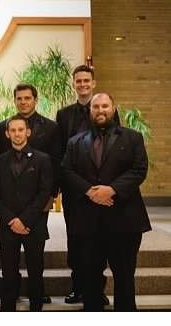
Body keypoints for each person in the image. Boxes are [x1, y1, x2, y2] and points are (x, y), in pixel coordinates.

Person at [62, 93, 151, 311]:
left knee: (124, 277)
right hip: (88, 222)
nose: (100, 110)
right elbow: (66, 171)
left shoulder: (133, 138)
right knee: (90, 278)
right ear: (90, 111)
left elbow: (139, 169)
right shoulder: (75, 142)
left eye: (105, 106)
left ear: (113, 108)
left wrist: (111, 190)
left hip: (125, 220)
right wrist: (90, 192)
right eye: (96, 107)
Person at [56, 65, 119, 305]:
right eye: (78, 81)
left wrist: (106, 189)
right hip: (75, 190)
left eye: (86, 80)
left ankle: (97, 289)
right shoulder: (64, 114)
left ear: (93, 83)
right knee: (76, 239)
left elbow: (114, 146)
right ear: (74, 84)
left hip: (102, 191)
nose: (82, 84)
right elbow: (60, 152)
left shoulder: (106, 110)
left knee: (100, 240)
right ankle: (77, 287)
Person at [0, 83, 60, 303]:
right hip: (9, 215)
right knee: (8, 267)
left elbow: (53, 170)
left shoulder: (50, 129)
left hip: (36, 211)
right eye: (19, 98)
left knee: (35, 265)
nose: (23, 102)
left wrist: (47, 200)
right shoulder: (0, 153)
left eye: (27, 98)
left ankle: (36, 301)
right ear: (7, 133)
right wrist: (10, 218)